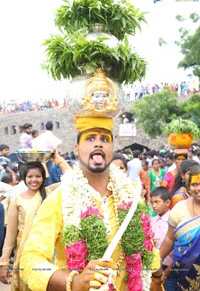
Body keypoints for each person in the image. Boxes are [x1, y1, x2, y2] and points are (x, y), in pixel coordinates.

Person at [19, 115, 157, 291]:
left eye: (105, 139)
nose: (98, 144)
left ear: (112, 149)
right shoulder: (59, 199)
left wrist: (157, 277)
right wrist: (72, 281)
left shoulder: (132, 197)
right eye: (90, 139)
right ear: (77, 148)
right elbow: (31, 261)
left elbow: (147, 249)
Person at [0, 161, 50, 290]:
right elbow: (10, 235)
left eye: (38, 176)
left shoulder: (50, 194)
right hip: (24, 251)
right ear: (24, 178)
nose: (34, 180)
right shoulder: (17, 200)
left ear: (44, 177)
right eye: (30, 176)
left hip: (46, 251)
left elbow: (73, 179)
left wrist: (55, 159)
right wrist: (4, 261)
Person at [159, 164, 200, 290]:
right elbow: (169, 239)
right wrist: (157, 260)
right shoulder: (179, 209)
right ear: (188, 186)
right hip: (185, 277)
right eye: (194, 184)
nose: (198, 189)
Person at [150, 187, 178, 291]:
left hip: (170, 270)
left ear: (167, 202)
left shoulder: (173, 221)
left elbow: (177, 250)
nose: (154, 206)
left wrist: (166, 273)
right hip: (155, 269)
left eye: (157, 202)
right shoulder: (152, 221)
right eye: (152, 202)